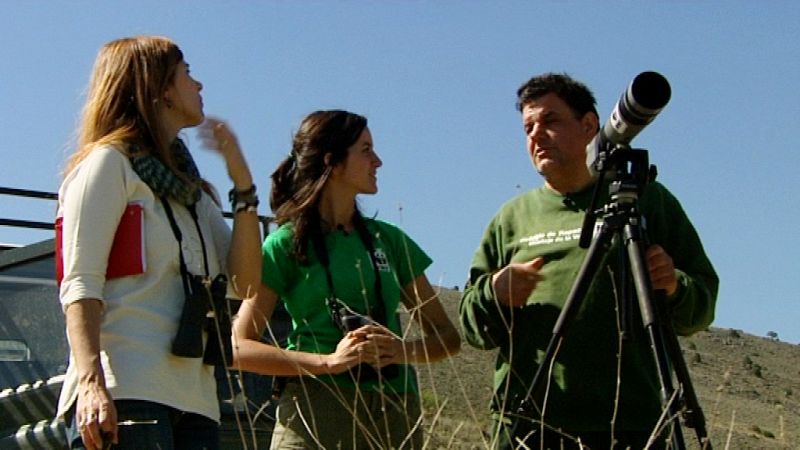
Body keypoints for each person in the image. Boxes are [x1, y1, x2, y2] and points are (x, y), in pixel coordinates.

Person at [459, 73, 718, 449]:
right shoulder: (512, 217)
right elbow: (471, 328)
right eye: (528, 127)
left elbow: (702, 308)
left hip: (629, 423)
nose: (535, 135)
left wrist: (674, 285)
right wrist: (493, 294)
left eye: (550, 121)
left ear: (589, 126)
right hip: (532, 421)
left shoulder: (648, 201)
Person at [55, 36, 262, 450]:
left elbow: (245, 284)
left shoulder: (195, 193)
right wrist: (92, 384)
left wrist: (243, 188)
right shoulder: (108, 164)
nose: (199, 85)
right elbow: (79, 282)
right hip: (126, 388)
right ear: (160, 88)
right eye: (187, 74)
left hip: (197, 399)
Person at [231, 109, 461, 449]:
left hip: (393, 409)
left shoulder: (391, 241)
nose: (378, 161)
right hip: (314, 409)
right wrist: (327, 363)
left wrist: (400, 351)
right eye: (366, 150)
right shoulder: (285, 245)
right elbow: (238, 346)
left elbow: (448, 338)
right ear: (333, 162)